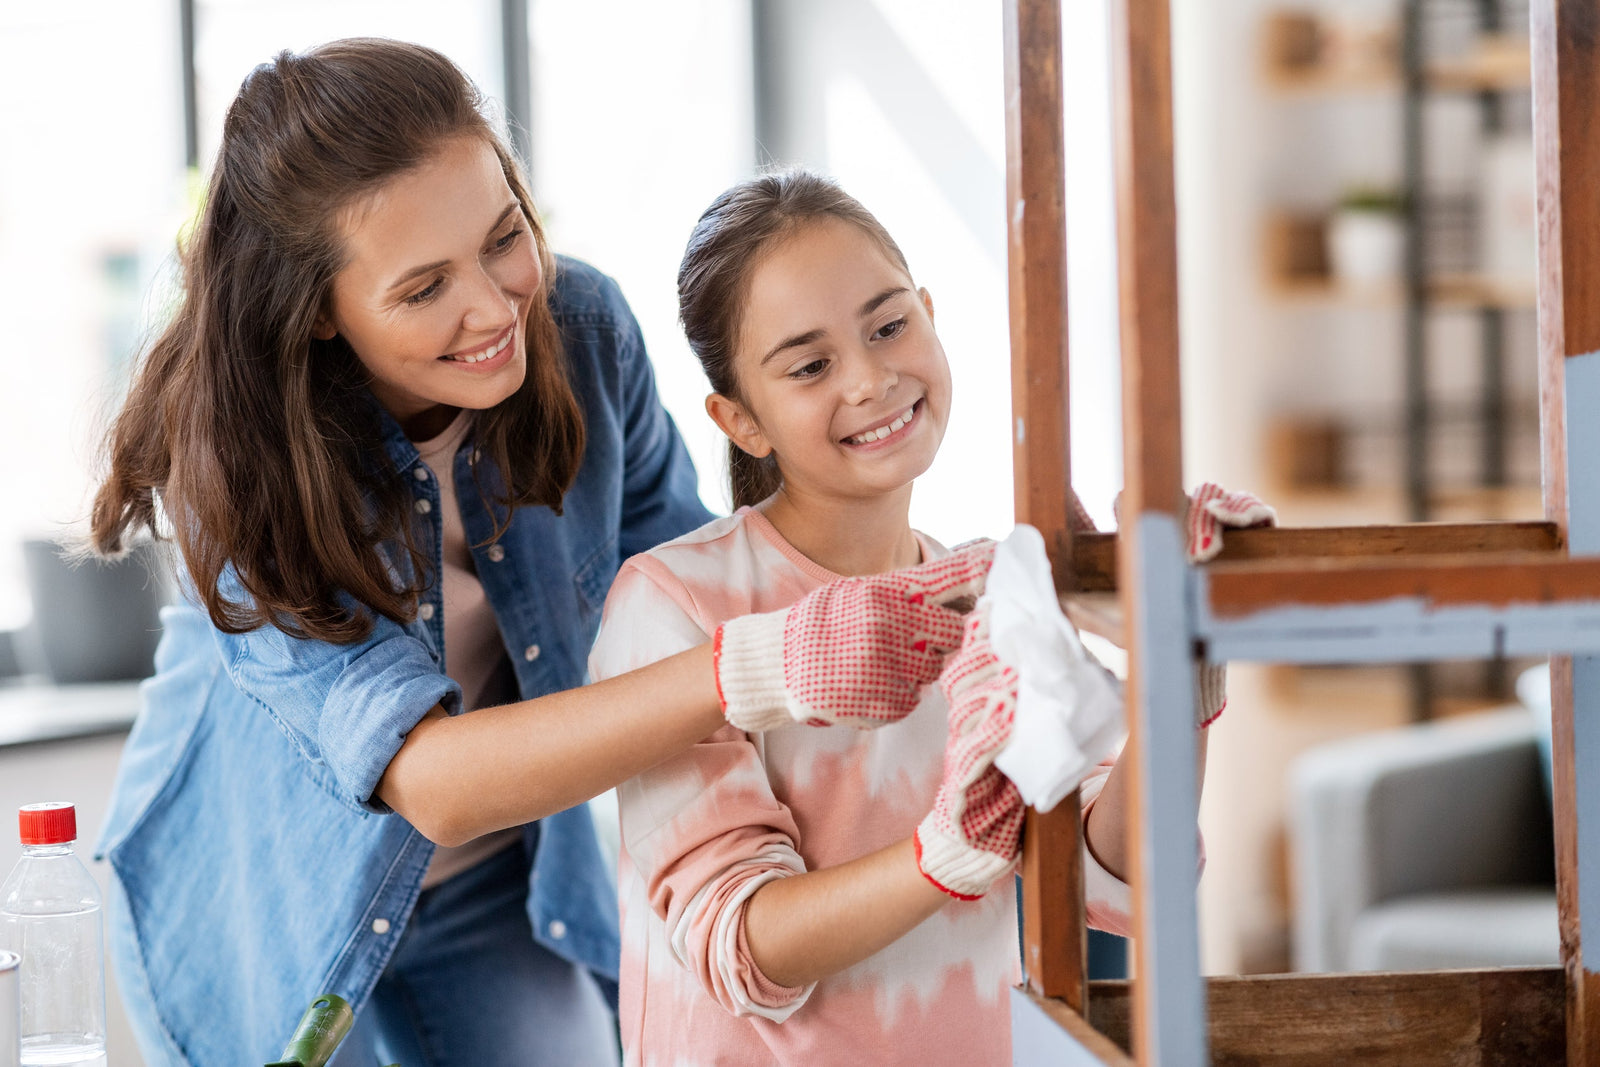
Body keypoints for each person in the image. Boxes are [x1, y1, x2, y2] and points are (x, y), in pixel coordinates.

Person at [86, 42, 991, 1067]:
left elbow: (693, 593)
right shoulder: (240, 462)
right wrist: (763, 666)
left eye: (504, 237)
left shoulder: (585, 335)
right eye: (423, 289)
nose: (493, 307)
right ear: (318, 310)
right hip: (262, 896)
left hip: (493, 882)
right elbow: (435, 780)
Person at [587, 171, 1213, 1067]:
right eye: (810, 366)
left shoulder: (983, 591)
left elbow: (1114, 880)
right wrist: (941, 855)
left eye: (888, 326)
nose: (873, 379)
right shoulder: (675, 605)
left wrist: (1179, 672)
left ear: (929, 311)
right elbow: (742, 945)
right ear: (741, 420)